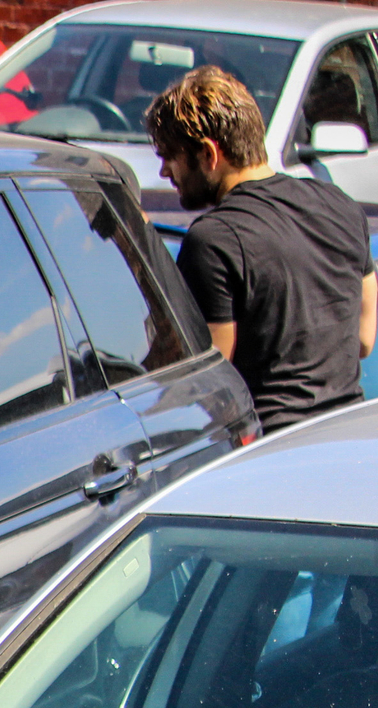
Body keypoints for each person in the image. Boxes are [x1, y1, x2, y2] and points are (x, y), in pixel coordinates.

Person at [149, 64, 376, 432]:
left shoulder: (214, 240)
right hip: (345, 438)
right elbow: (364, 340)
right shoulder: (342, 206)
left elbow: (205, 384)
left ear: (209, 154)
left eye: (168, 157)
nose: (163, 172)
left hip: (268, 454)